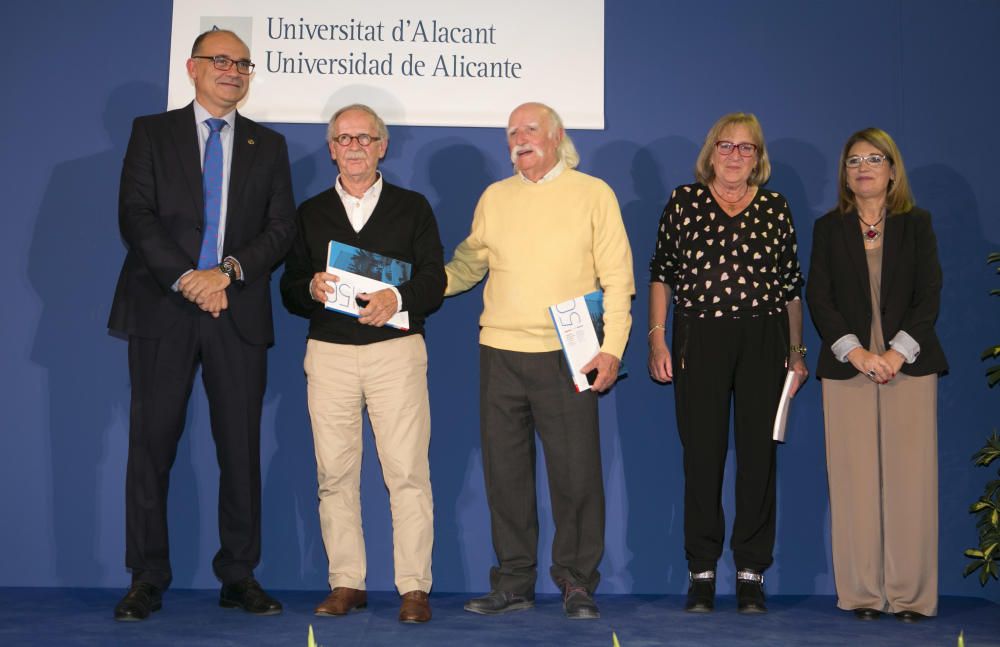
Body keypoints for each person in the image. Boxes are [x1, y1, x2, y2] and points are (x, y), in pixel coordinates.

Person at [109, 29, 296, 621]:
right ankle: (147, 576)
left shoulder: (270, 145)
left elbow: (281, 227)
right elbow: (135, 216)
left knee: (239, 450)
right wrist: (189, 278)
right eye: (221, 60)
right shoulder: (151, 133)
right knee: (151, 448)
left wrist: (227, 274)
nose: (233, 71)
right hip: (163, 308)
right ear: (192, 68)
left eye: (243, 63)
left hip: (236, 312)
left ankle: (239, 575)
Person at [445, 102, 634, 620]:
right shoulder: (495, 197)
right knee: (505, 476)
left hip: (569, 355)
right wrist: (415, 290)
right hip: (500, 353)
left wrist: (612, 347)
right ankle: (513, 582)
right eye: (511, 132)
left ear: (556, 137)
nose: (519, 139)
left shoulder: (593, 194)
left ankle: (576, 582)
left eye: (529, 129)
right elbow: (468, 264)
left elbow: (618, 279)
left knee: (576, 476)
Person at [279, 104, 445, 624]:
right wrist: (309, 286)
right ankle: (346, 582)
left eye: (364, 138)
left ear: (382, 147)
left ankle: (414, 588)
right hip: (328, 355)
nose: (354, 147)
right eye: (344, 139)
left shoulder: (412, 207)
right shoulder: (308, 213)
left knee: (408, 474)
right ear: (331, 149)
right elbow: (288, 287)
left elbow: (435, 280)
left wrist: (398, 299)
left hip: (396, 353)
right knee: (334, 475)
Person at [647, 113, 807, 614]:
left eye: (747, 148)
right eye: (727, 146)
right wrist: (657, 338)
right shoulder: (684, 202)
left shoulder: (776, 208)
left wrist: (797, 353)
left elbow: (789, 288)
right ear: (710, 152)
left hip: (764, 340)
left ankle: (751, 573)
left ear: (759, 158)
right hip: (700, 336)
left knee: (759, 459)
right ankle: (701, 573)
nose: (736, 156)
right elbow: (662, 274)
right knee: (703, 456)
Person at [806, 128, 946, 623]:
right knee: (852, 483)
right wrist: (858, 353)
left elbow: (929, 296)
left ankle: (910, 597)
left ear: (892, 169)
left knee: (911, 482)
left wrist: (895, 354)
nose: (863, 167)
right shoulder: (828, 228)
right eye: (852, 161)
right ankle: (863, 595)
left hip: (910, 365)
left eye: (873, 158)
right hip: (849, 369)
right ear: (844, 174)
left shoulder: (917, 224)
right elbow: (818, 299)